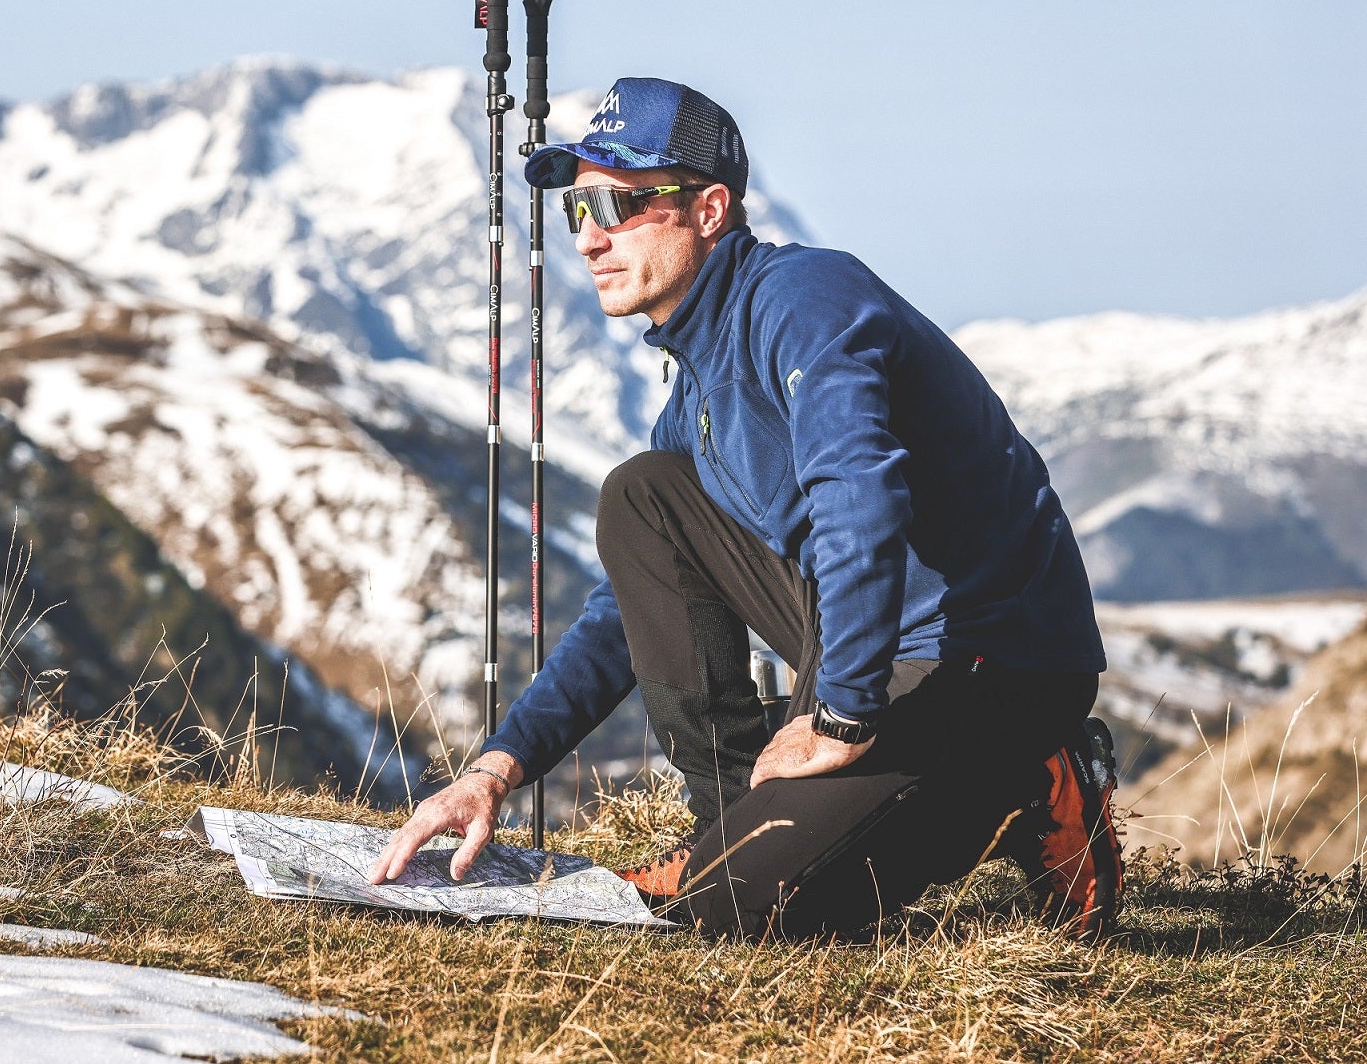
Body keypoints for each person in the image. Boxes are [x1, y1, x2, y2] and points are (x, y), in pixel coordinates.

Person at [368, 77, 1122, 938]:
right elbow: (625, 614)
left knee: (740, 908)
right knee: (639, 497)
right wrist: (497, 769)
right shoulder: (691, 393)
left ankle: (1035, 780)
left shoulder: (805, 301)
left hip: (990, 656)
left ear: (710, 208)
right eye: (579, 211)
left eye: (619, 201)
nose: (591, 238)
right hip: (876, 643)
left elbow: (860, 496)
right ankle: (731, 822)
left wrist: (839, 714)